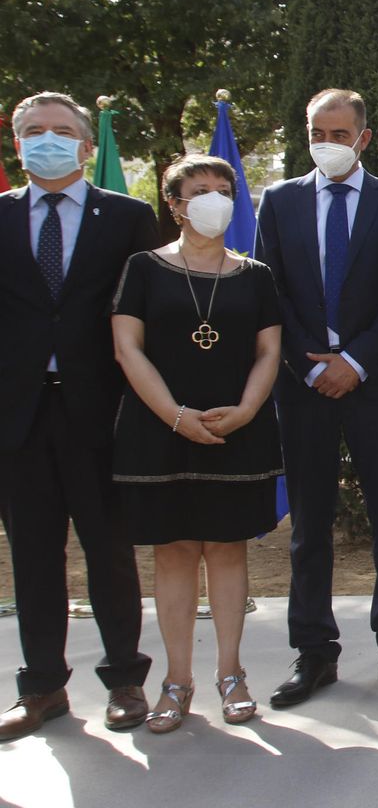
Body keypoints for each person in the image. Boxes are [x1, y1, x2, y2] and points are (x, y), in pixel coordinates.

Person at [0, 92, 158, 741]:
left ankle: (124, 680)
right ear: (16, 145)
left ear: (87, 147)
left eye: (61, 132)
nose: (47, 140)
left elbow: (152, 312)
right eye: (33, 131)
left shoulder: (127, 216)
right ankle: (42, 688)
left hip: (101, 413)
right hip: (19, 417)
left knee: (109, 553)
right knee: (34, 557)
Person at [256, 89, 378, 708]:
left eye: (338, 131)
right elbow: (269, 287)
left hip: (374, 382)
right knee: (310, 525)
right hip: (303, 387)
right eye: (315, 131)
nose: (326, 141)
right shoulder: (279, 201)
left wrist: (354, 361)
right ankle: (314, 652)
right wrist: (309, 363)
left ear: (363, 138)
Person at [109, 154, 284, 732]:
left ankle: (231, 675)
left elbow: (268, 352)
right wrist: (175, 416)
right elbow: (127, 348)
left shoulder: (255, 274)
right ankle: (176, 682)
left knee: (228, 549)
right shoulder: (143, 267)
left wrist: (247, 410)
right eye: (199, 190)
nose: (213, 199)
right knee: (176, 551)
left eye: (223, 189)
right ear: (175, 204)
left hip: (237, 430)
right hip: (161, 432)